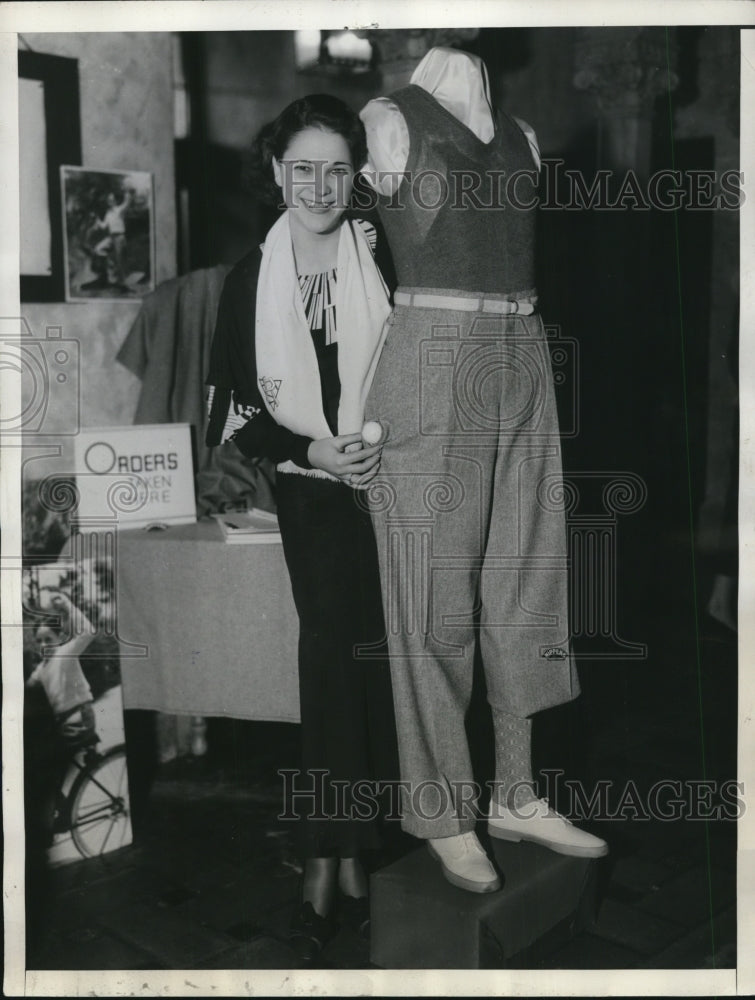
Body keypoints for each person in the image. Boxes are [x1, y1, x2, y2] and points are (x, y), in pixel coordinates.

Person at [359, 47, 608, 894]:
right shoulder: (389, 119)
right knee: (433, 596)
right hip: (430, 350)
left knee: (528, 579)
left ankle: (515, 792)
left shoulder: (522, 136)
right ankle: (440, 812)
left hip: (524, 349)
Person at [205, 94, 398, 962]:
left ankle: (356, 857)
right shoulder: (248, 278)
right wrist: (317, 455)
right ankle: (328, 857)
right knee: (330, 659)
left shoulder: (382, 252)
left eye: (336, 167)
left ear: (353, 174)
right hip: (314, 494)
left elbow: (427, 358)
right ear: (277, 173)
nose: (320, 184)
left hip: (398, 485)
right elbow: (236, 411)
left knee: (378, 669)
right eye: (302, 167)